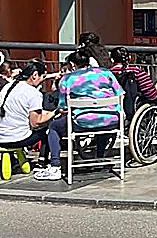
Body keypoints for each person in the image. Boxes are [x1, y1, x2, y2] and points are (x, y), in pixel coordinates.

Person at [34, 50, 123, 181]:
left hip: (82, 122)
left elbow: (63, 107)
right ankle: (99, 157)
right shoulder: (105, 73)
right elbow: (120, 93)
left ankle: (55, 166)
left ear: (72, 64)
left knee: (53, 127)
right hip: (111, 119)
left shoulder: (67, 79)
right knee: (102, 123)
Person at [0, 61, 57, 153]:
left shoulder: (7, 87)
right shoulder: (34, 93)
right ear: (35, 75)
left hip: (1, 137)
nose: (43, 80)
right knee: (49, 129)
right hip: (17, 138)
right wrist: (54, 113)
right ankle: (44, 161)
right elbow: (36, 123)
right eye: (43, 76)